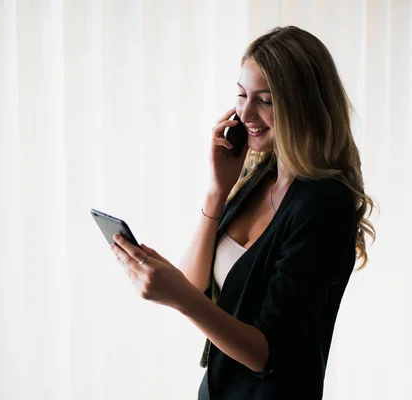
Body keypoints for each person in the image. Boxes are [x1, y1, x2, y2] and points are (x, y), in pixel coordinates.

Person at [109, 26, 375, 399]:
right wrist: (217, 191)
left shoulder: (323, 204)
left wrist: (182, 298)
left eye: (265, 100)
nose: (245, 111)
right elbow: (195, 282)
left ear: (304, 105)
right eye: (241, 94)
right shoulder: (258, 179)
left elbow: (266, 353)